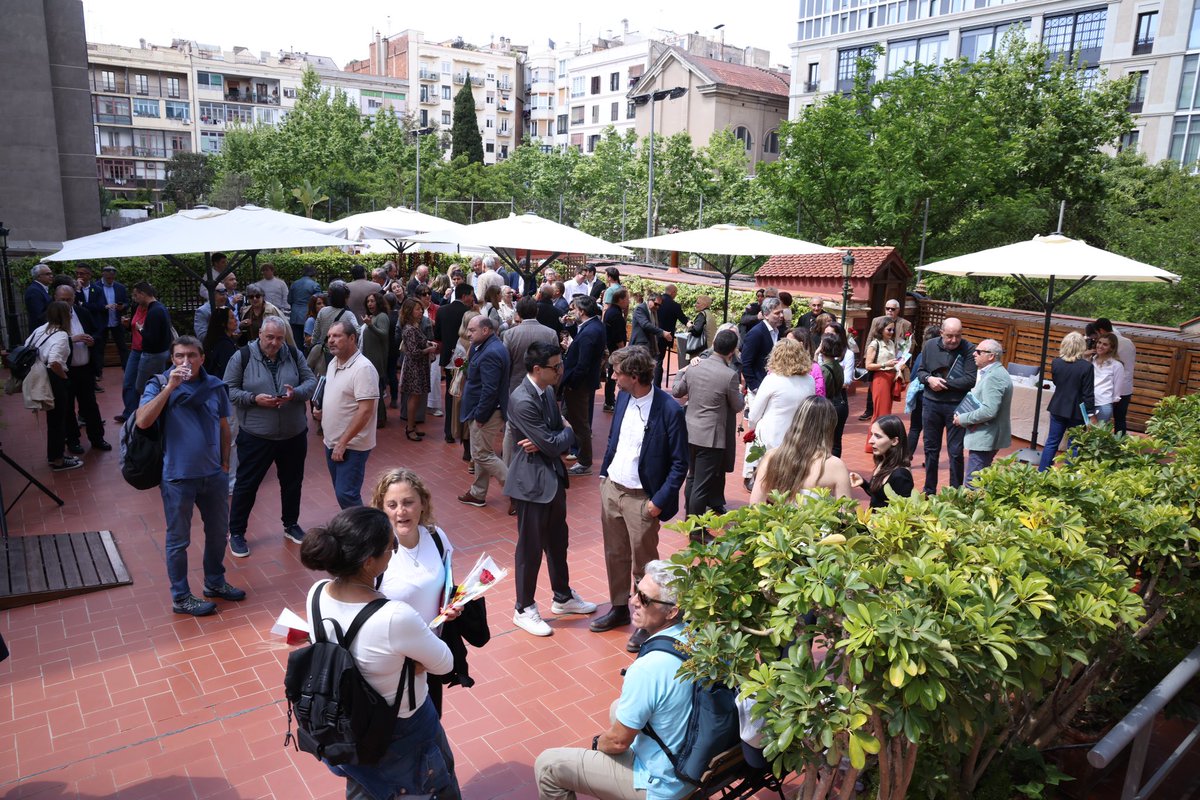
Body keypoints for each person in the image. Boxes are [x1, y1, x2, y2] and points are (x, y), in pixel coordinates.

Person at [298, 507, 461, 800]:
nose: (394, 552)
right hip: (402, 727)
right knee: (432, 789)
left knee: (366, 788)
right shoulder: (394, 616)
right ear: (369, 562)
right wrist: (412, 664)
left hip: (348, 724)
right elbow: (444, 663)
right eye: (391, 547)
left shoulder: (317, 593)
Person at [535, 560, 690, 800]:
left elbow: (617, 743)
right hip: (699, 759)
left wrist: (599, 744)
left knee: (547, 765)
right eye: (637, 590)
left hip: (666, 784)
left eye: (646, 599)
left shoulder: (648, 669)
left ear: (672, 611)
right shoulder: (703, 639)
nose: (634, 601)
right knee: (617, 708)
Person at [137, 335, 245, 616]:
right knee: (178, 540)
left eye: (192, 356)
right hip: (177, 477)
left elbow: (224, 425)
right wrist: (171, 386)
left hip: (213, 475)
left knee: (219, 533)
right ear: (172, 359)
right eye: (179, 356)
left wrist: (224, 464)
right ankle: (181, 597)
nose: (186, 362)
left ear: (202, 358)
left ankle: (215, 582)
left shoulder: (214, 386)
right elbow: (143, 420)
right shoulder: (158, 384)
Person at [593, 345, 689, 652]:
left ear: (634, 376)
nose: (613, 377)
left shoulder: (668, 409)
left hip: (642, 499)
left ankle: (646, 622)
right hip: (613, 489)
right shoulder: (623, 397)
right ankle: (620, 607)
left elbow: (679, 463)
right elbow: (615, 438)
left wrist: (658, 501)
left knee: (644, 565)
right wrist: (604, 476)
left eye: (617, 373)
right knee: (615, 554)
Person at [504, 341, 597, 636]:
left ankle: (563, 596)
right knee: (530, 548)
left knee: (558, 541)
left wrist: (554, 437)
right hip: (531, 483)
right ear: (536, 369)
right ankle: (523, 607)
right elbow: (555, 439)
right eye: (555, 366)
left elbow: (552, 437)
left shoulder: (545, 390)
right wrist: (563, 434)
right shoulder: (522, 399)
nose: (561, 370)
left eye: (560, 364)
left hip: (552, 477)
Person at [223, 317, 318, 557]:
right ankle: (236, 532)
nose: (275, 343)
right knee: (247, 484)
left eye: (279, 338)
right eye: (270, 337)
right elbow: (229, 390)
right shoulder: (242, 356)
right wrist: (254, 399)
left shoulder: (294, 355)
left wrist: (294, 394)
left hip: (293, 433)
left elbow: (311, 381)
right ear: (260, 335)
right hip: (256, 434)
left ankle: (291, 524)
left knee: (292, 482)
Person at [671, 328, 744, 530]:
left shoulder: (695, 367)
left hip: (689, 430)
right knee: (701, 484)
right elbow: (738, 406)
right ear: (732, 352)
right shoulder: (729, 375)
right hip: (711, 437)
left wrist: (680, 372)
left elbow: (677, 391)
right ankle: (696, 529)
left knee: (692, 478)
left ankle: (689, 521)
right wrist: (741, 394)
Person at [314, 320, 379, 508]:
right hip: (332, 442)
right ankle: (354, 528)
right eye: (329, 337)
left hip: (351, 445)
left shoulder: (363, 368)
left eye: (337, 336)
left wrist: (343, 443)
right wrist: (323, 411)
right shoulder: (334, 362)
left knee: (346, 494)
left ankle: (364, 534)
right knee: (341, 492)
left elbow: (366, 410)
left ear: (352, 338)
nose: (331, 341)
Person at [749, 396, 853, 504]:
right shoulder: (836, 466)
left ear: (797, 420)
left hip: (777, 520)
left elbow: (755, 504)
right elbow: (845, 514)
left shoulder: (771, 457)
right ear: (830, 427)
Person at [915, 318, 976, 494]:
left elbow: (970, 380)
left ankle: (955, 492)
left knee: (956, 452)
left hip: (956, 406)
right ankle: (929, 490)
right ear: (941, 333)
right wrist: (929, 379)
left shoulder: (968, 348)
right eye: (949, 336)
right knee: (930, 450)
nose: (954, 340)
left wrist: (944, 383)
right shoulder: (930, 345)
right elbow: (920, 372)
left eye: (958, 336)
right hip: (931, 403)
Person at [456, 315, 510, 508]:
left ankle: (517, 494)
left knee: (481, 455)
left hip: (486, 412)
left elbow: (490, 389)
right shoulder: (487, 346)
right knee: (482, 452)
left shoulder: (491, 352)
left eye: (472, 330)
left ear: (485, 330)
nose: (468, 333)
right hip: (483, 410)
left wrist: (481, 415)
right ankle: (478, 493)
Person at [747, 339, 817, 480]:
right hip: (798, 436)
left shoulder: (772, 380)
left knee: (767, 481)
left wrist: (752, 427)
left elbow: (754, 415)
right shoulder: (810, 380)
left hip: (772, 437)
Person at [27, 302, 80, 471]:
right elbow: (55, 362)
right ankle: (58, 460)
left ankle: (54, 455)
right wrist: (65, 379)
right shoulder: (62, 335)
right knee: (58, 420)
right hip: (54, 378)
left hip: (40, 373)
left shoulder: (40, 329)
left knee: (53, 419)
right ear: (65, 316)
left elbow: (28, 346)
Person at [954, 339, 1013, 487]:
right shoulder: (992, 372)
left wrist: (963, 418)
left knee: (973, 483)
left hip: (986, 436)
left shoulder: (995, 376)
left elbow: (989, 410)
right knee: (979, 480)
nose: (974, 354)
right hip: (985, 434)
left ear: (991, 356)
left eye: (979, 352)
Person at [560, 295, 605, 477]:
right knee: (566, 416)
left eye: (575, 310)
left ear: (582, 311)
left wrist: (572, 383)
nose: (573, 312)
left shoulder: (590, 332)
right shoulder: (593, 326)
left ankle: (585, 462)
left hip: (578, 385)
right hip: (580, 383)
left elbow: (583, 364)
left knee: (580, 424)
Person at [1038, 332, 1095, 472]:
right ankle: (1069, 475)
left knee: (1052, 442)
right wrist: (1090, 415)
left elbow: (1057, 382)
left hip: (1058, 406)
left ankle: (1042, 472)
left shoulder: (1056, 362)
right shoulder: (1086, 367)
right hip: (1077, 410)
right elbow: (1088, 393)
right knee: (1074, 445)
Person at [117, 282, 173, 424]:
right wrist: (129, 326)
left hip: (150, 353)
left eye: (136, 295)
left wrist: (141, 329)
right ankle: (131, 413)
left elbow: (152, 336)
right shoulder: (140, 307)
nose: (134, 299)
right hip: (137, 350)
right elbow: (136, 327)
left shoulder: (155, 310)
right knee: (130, 382)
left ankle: (148, 415)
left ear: (143, 294)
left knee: (145, 386)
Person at [859, 300, 913, 421]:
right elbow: (869, 339)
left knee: (886, 408)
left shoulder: (905, 324)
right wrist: (866, 356)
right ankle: (869, 411)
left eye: (893, 309)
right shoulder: (877, 321)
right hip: (879, 369)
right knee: (878, 405)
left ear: (898, 310)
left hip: (893, 366)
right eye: (887, 308)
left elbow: (910, 343)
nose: (889, 311)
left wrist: (903, 359)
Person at [862, 316, 908, 453]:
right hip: (880, 378)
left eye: (893, 329)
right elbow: (868, 365)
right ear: (881, 329)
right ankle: (873, 444)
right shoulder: (874, 344)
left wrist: (899, 364)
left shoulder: (891, 343)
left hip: (890, 377)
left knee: (886, 412)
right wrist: (885, 364)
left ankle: (881, 442)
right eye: (889, 329)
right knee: (880, 413)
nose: (891, 332)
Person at [436, 283, 475, 443]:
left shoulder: (442, 310)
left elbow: (437, 335)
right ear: (465, 296)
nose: (473, 298)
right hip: (465, 357)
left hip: (447, 358)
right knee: (464, 393)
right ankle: (461, 430)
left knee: (450, 393)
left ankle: (448, 432)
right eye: (471, 295)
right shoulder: (469, 314)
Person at [851, 415, 914, 508]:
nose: (870, 441)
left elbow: (904, 512)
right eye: (871, 434)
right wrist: (863, 483)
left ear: (894, 441)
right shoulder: (884, 460)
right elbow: (880, 497)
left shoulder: (900, 475)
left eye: (877, 436)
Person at [395, 298, 435, 441]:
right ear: (409, 311)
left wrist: (427, 343)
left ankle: (412, 425)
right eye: (417, 309)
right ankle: (410, 428)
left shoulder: (413, 326)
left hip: (418, 366)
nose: (420, 311)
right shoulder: (410, 329)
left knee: (416, 398)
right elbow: (413, 352)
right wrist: (428, 349)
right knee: (414, 397)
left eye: (421, 309)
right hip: (415, 368)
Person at [905, 324, 943, 462]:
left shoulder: (922, 354)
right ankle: (930, 460)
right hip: (933, 399)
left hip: (920, 397)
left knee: (914, 428)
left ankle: (907, 457)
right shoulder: (942, 357)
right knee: (933, 433)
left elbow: (913, 375)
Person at [1094, 318, 1135, 434]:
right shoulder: (1128, 342)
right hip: (1125, 388)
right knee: (1120, 419)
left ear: (1101, 331)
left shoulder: (1108, 357)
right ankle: (1119, 447)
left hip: (1105, 393)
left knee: (1098, 425)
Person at [740, 297, 785, 403]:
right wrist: (755, 387)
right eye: (777, 313)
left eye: (782, 312)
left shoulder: (778, 332)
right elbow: (745, 362)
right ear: (766, 315)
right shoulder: (756, 333)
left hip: (773, 387)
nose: (781, 316)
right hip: (759, 388)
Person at [360, 291, 392, 428]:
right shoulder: (372, 317)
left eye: (372, 301)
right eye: (368, 301)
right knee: (372, 388)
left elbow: (384, 334)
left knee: (376, 388)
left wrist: (370, 325)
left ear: (378, 302)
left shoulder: (382, 317)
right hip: (368, 357)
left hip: (377, 358)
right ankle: (375, 416)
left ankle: (380, 418)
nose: (370, 304)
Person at [629, 292, 671, 389]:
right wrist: (662, 333)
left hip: (649, 347)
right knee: (637, 372)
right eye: (656, 304)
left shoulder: (653, 312)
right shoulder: (640, 308)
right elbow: (645, 325)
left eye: (659, 305)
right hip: (639, 347)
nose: (657, 307)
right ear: (649, 300)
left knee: (645, 373)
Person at [308, 281, 353, 375]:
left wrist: (314, 344)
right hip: (343, 353)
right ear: (344, 299)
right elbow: (358, 332)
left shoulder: (323, 311)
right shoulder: (349, 315)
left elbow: (315, 334)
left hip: (326, 352)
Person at [817, 333, 849, 457]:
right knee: (836, 441)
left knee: (824, 441)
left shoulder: (824, 370)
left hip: (830, 406)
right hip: (840, 404)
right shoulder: (838, 366)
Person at [95, 265, 130, 374]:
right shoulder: (95, 287)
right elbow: (91, 305)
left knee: (123, 347)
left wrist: (122, 306)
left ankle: (127, 370)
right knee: (99, 348)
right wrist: (104, 307)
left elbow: (127, 302)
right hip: (102, 322)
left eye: (112, 277)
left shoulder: (120, 287)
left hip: (117, 322)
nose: (111, 279)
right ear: (103, 274)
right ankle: (98, 372)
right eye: (108, 277)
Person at [602, 288, 630, 412]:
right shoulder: (616, 314)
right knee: (613, 376)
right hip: (615, 350)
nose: (628, 301)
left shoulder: (610, 311)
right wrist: (623, 350)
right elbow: (618, 335)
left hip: (611, 348)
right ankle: (609, 402)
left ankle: (609, 401)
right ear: (621, 300)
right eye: (627, 299)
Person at [656, 284, 689, 386]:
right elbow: (684, 320)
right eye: (676, 293)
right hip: (665, 337)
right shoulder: (675, 305)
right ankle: (656, 386)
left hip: (651, 334)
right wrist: (692, 324)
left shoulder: (656, 301)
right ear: (672, 292)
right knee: (659, 361)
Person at [1091, 332, 1126, 424]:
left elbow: (1117, 392)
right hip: (1087, 403)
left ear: (1112, 348)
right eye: (1099, 342)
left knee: (1096, 436)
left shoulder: (1117, 365)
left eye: (1105, 344)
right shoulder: (1091, 360)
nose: (1100, 346)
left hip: (1103, 404)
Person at [203, 306, 240, 380]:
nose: (236, 320)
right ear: (223, 323)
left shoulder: (217, 339)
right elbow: (230, 370)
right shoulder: (224, 345)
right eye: (232, 317)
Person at [287, 266, 321, 347]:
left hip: (295, 316)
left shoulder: (294, 284)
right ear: (313, 274)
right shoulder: (315, 285)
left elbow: (289, 300)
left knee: (297, 343)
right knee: (309, 342)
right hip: (308, 316)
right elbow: (318, 301)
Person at [680, 294, 715, 369]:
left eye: (698, 303)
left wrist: (690, 326)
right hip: (709, 348)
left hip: (700, 351)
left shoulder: (702, 315)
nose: (695, 305)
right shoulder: (710, 315)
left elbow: (697, 331)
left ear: (704, 305)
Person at [24, 263, 54, 331]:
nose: (51, 276)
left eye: (51, 274)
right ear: (38, 276)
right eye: (47, 274)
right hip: (42, 331)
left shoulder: (40, 289)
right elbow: (39, 316)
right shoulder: (34, 291)